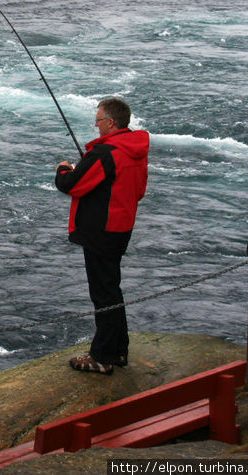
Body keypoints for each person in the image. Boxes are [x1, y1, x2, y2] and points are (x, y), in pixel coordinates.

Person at [54, 97, 149, 375]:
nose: (96, 125)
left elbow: (71, 184)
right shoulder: (135, 151)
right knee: (112, 288)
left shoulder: (105, 154)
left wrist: (63, 168)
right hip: (121, 228)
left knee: (103, 294)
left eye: (98, 120)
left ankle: (103, 356)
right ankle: (119, 350)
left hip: (100, 230)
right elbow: (138, 190)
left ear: (110, 122)